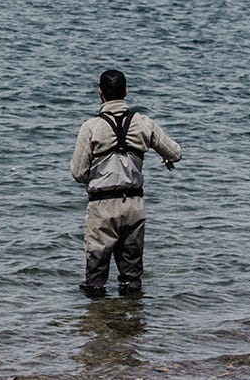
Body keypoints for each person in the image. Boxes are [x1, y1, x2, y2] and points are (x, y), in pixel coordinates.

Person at [70, 68, 181, 297]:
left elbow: (78, 173)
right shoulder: (143, 123)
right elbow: (175, 152)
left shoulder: (91, 127)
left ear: (100, 93)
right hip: (134, 205)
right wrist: (164, 157)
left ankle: (98, 325)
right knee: (132, 278)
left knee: (95, 280)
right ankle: (131, 324)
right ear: (125, 92)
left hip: (102, 207)